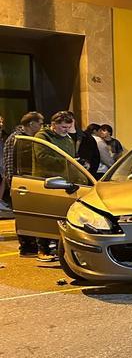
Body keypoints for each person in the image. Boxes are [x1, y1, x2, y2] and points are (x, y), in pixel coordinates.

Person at [34, 111, 76, 262]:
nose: (66, 130)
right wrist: (66, 162)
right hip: (46, 181)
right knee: (45, 214)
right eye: (63, 127)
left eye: (68, 127)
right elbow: (42, 158)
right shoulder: (43, 137)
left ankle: (57, 246)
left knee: (61, 215)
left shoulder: (68, 138)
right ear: (53, 125)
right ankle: (42, 248)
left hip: (64, 181)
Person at [3, 112, 44, 256]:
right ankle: (26, 246)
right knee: (23, 215)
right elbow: (9, 162)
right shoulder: (16, 138)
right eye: (39, 123)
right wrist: (12, 182)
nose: (41, 126)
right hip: (21, 183)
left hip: (32, 181)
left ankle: (34, 244)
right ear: (31, 124)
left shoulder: (34, 139)